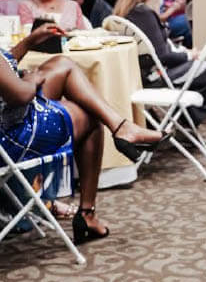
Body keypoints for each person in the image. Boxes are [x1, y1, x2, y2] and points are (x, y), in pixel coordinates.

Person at [0, 25, 164, 242]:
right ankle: (87, 214)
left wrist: (29, 42)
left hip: (9, 116)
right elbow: (20, 95)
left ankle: (121, 126)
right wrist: (31, 80)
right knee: (90, 115)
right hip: (11, 136)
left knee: (62, 64)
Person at [114, 0, 206, 124]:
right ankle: (184, 124)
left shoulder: (132, 11)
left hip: (147, 75)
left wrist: (187, 54)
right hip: (156, 79)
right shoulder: (144, 14)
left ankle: (181, 124)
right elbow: (163, 55)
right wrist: (189, 55)